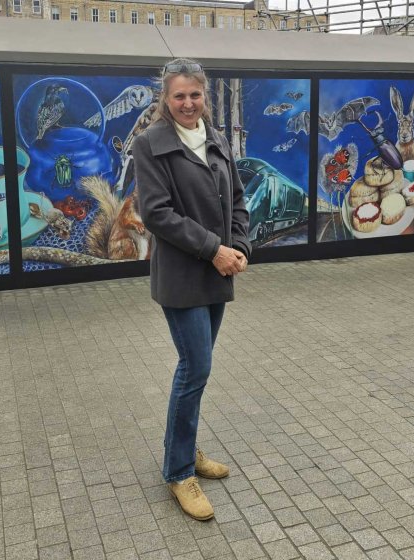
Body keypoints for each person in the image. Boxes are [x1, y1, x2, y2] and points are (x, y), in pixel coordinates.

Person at [133, 58, 251, 521]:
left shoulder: (215, 138)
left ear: (206, 96)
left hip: (218, 270)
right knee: (194, 367)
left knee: (197, 372)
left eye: (195, 95)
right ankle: (179, 471)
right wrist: (215, 249)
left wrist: (239, 245)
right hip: (183, 275)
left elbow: (237, 199)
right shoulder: (151, 145)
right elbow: (157, 215)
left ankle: (187, 447)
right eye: (178, 96)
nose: (187, 103)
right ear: (165, 98)